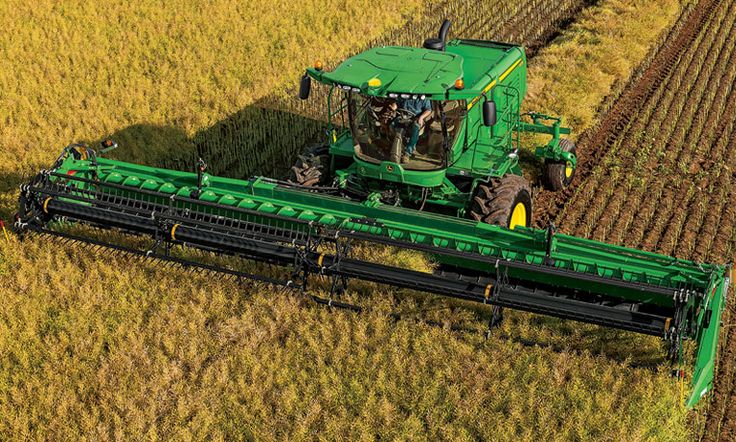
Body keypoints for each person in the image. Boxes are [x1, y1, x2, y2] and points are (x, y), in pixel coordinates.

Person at [390, 97, 432, 162]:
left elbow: (428, 110)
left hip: (416, 118)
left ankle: (407, 153)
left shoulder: (423, 99)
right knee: (392, 124)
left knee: (415, 128)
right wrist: (394, 106)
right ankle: (393, 144)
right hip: (403, 116)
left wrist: (421, 117)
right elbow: (397, 104)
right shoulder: (405, 96)